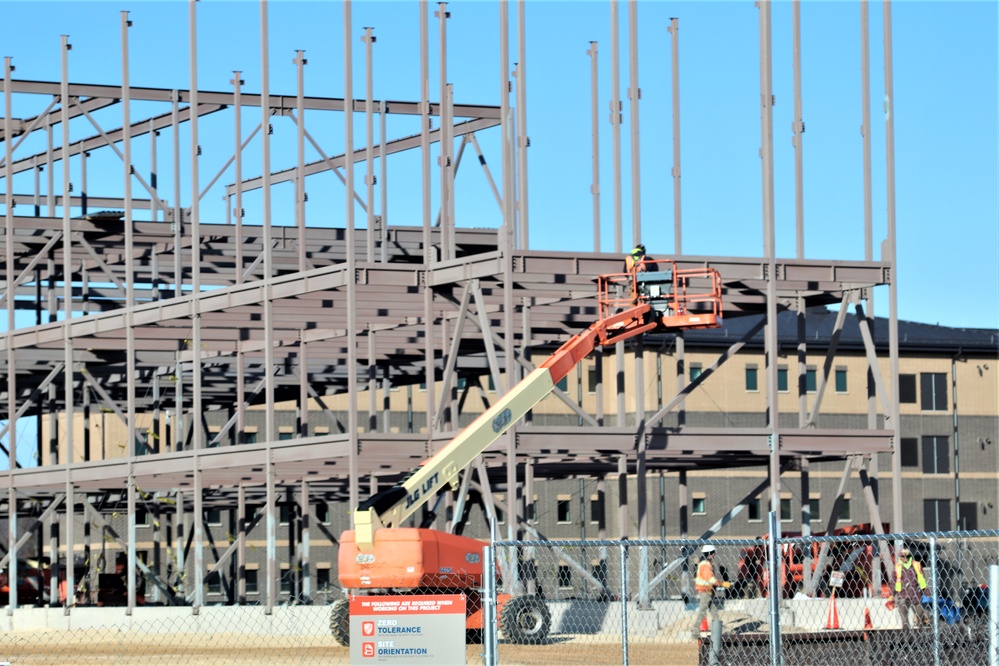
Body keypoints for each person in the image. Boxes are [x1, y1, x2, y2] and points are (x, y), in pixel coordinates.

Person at [691, 544, 731, 638]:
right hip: (705, 591)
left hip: (707, 591)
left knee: (713, 610)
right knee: (703, 611)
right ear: (710, 554)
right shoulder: (705, 565)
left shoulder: (705, 563)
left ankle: (718, 628)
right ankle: (695, 631)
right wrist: (723, 583)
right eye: (714, 553)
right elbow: (710, 580)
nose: (715, 555)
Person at [892, 547, 928, 629]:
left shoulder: (916, 565)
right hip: (903, 595)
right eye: (902, 556)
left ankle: (920, 629)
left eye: (906, 556)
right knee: (904, 616)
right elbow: (893, 581)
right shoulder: (898, 567)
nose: (904, 558)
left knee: (920, 612)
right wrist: (892, 595)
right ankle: (906, 632)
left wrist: (926, 591)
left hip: (916, 594)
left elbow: (922, 579)